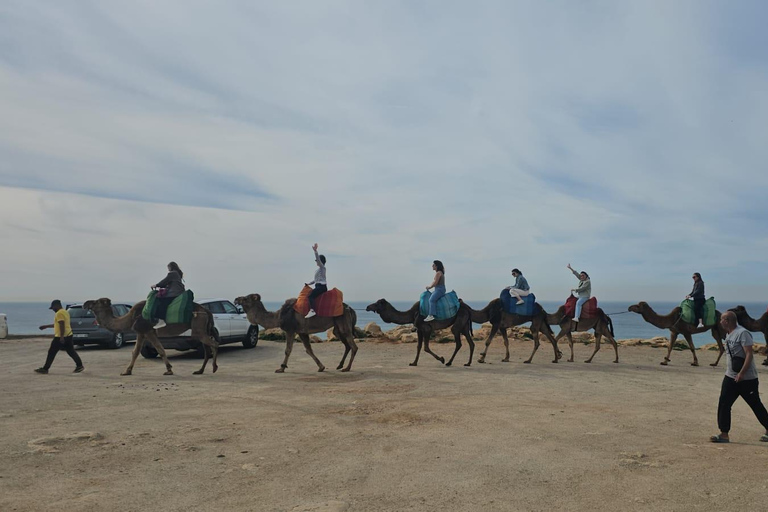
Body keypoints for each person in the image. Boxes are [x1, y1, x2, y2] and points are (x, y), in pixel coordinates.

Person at [710, 311, 768, 444]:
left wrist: (742, 373)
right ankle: (724, 434)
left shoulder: (743, 333)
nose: (720, 322)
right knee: (724, 403)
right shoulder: (728, 334)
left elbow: (749, 354)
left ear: (727, 321)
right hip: (730, 376)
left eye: (721, 320)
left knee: (755, 404)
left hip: (747, 379)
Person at [34, 300, 84, 374]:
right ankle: (80, 366)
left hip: (60, 336)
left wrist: (61, 337)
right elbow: (58, 324)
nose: (53, 310)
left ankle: (45, 369)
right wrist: (46, 326)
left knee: (51, 352)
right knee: (71, 351)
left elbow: (62, 325)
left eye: (53, 308)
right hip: (69, 335)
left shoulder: (59, 313)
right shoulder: (65, 312)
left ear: (56, 306)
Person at [304, 243, 327, 319]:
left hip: (321, 287)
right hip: (318, 286)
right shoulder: (318, 270)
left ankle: (312, 310)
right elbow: (315, 280)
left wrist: (315, 251)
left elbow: (318, 260)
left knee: (310, 296)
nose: (316, 261)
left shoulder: (322, 268)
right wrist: (308, 283)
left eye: (317, 260)